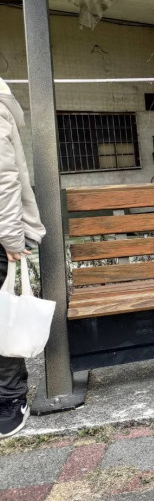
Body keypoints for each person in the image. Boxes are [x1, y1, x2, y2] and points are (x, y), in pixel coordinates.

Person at [0, 78, 46, 439]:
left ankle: (10, 398)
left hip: (2, 235)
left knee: (5, 317)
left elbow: (4, 177)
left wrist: (11, 237)